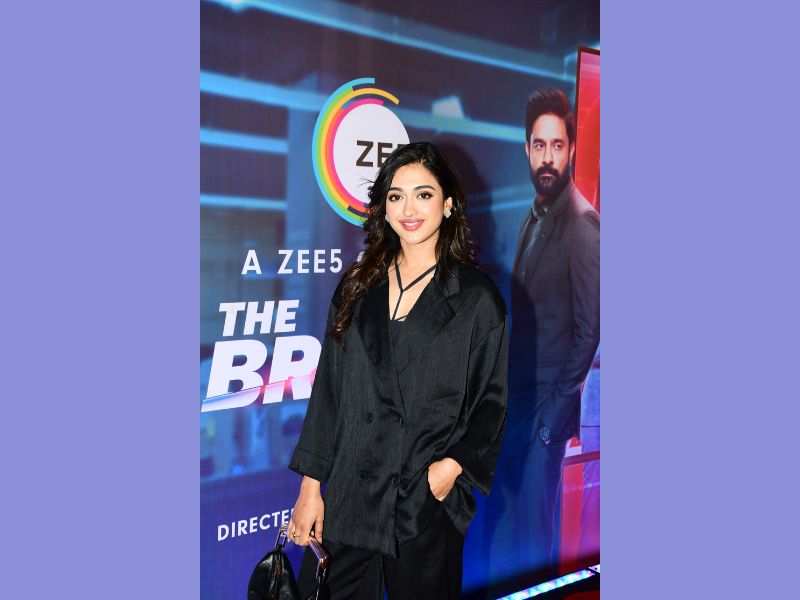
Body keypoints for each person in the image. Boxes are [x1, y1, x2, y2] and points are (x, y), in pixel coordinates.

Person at [287, 142, 508, 600]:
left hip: (421, 501)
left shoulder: (477, 300)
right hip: (351, 496)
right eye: (396, 196)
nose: (409, 209)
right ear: (383, 209)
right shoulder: (356, 287)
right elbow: (328, 393)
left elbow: (492, 403)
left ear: (448, 205)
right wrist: (311, 488)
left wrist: (449, 469)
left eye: (423, 195)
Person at [491, 89, 600, 591]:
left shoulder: (582, 223)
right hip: (518, 406)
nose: (548, 157)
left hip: (544, 419)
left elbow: (589, 330)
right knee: (514, 542)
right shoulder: (533, 217)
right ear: (527, 149)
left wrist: (550, 421)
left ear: (571, 148)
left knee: (534, 547)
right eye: (540, 145)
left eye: (558, 145)